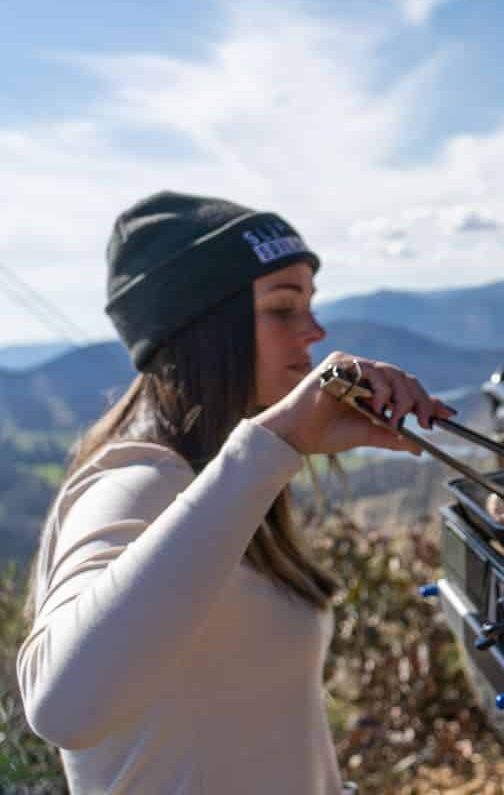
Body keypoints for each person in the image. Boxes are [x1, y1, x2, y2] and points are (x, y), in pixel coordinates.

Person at [15, 191, 456, 794]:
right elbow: (63, 705)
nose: (315, 330)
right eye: (282, 308)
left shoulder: (217, 476)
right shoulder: (132, 484)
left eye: (309, 304)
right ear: (202, 331)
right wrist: (274, 442)